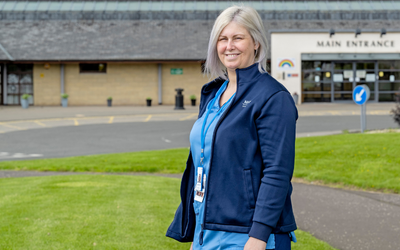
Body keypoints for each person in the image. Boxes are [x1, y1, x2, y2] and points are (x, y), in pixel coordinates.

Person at [166, 5, 298, 250]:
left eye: (238, 38)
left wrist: (258, 237)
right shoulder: (214, 94)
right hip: (206, 230)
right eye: (223, 39)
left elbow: (277, 172)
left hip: (249, 235)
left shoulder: (272, 97)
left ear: (256, 42)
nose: (229, 46)